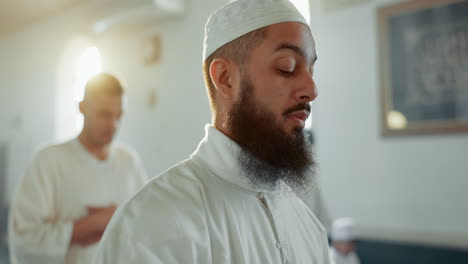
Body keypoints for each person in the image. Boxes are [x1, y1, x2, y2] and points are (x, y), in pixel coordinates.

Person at [93, 0, 330, 263]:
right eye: (286, 66)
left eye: (311, 69)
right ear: (226, 78)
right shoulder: (153, 224)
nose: (311, 89)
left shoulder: (306, 226)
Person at [8, 73, 148, 264]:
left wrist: (116, 223)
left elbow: (146, 229)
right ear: (82, 108)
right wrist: (90, 225)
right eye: (104, 114)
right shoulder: (48, 160)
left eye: (119, 115)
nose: (113, 124)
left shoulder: (130, 162)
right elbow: (22, 241)